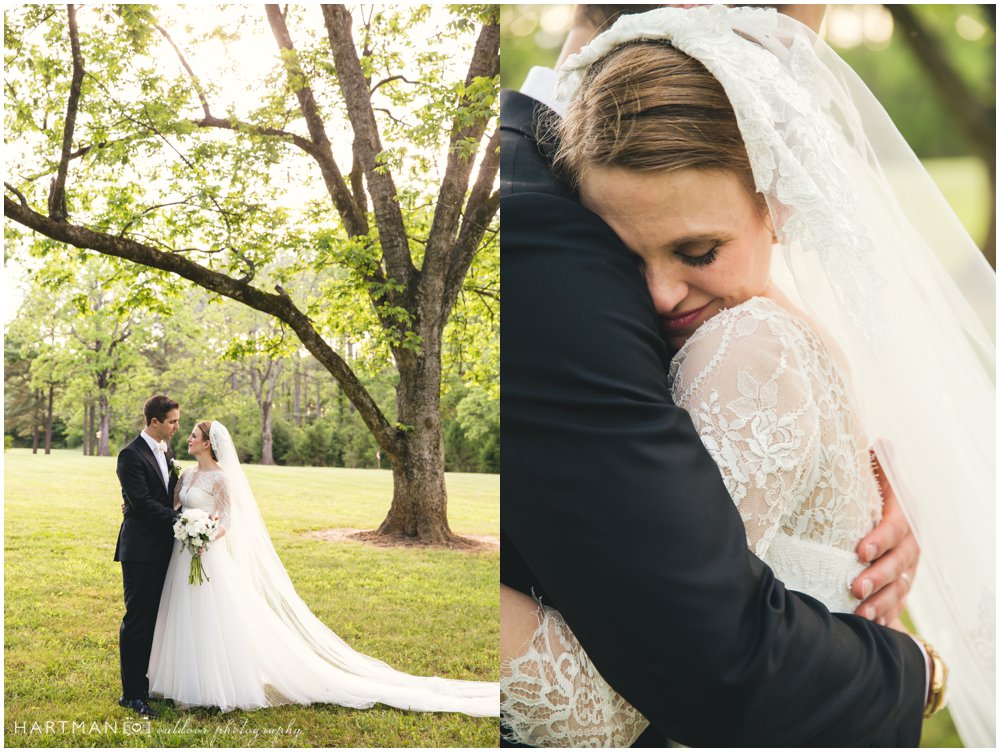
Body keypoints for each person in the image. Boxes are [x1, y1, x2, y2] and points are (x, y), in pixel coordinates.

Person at [501, 5, 993, 747]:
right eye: (629, 260)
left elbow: (672, 673)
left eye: (697, 252)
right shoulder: (579, 223)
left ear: (779, 199)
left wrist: (920, 670)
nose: (660, 293)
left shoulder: (748, 343)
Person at [147, 420, 499, 716]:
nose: (188, 438)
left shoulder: (222, 480)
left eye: (193, 435)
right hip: (182, 555)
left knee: (211, 618)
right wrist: (176, 525)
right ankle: (180, 681)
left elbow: (227, 520)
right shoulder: (187, 475)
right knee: (182, 615)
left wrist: (208, 535)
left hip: (207, 555)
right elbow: (173, 507)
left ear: (208, 443)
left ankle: (212, 685)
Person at [115, 395, 182, 719]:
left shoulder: (166, 450)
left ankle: (148, 681)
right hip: (140, 550)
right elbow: (141, 502)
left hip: (164, 547)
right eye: (172, 421)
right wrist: (181, 521)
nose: (176, 426)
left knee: (156, 618)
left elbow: (165, 494)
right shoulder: (130, 454)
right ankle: (132, 694)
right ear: (154, 422)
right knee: (139, 620)